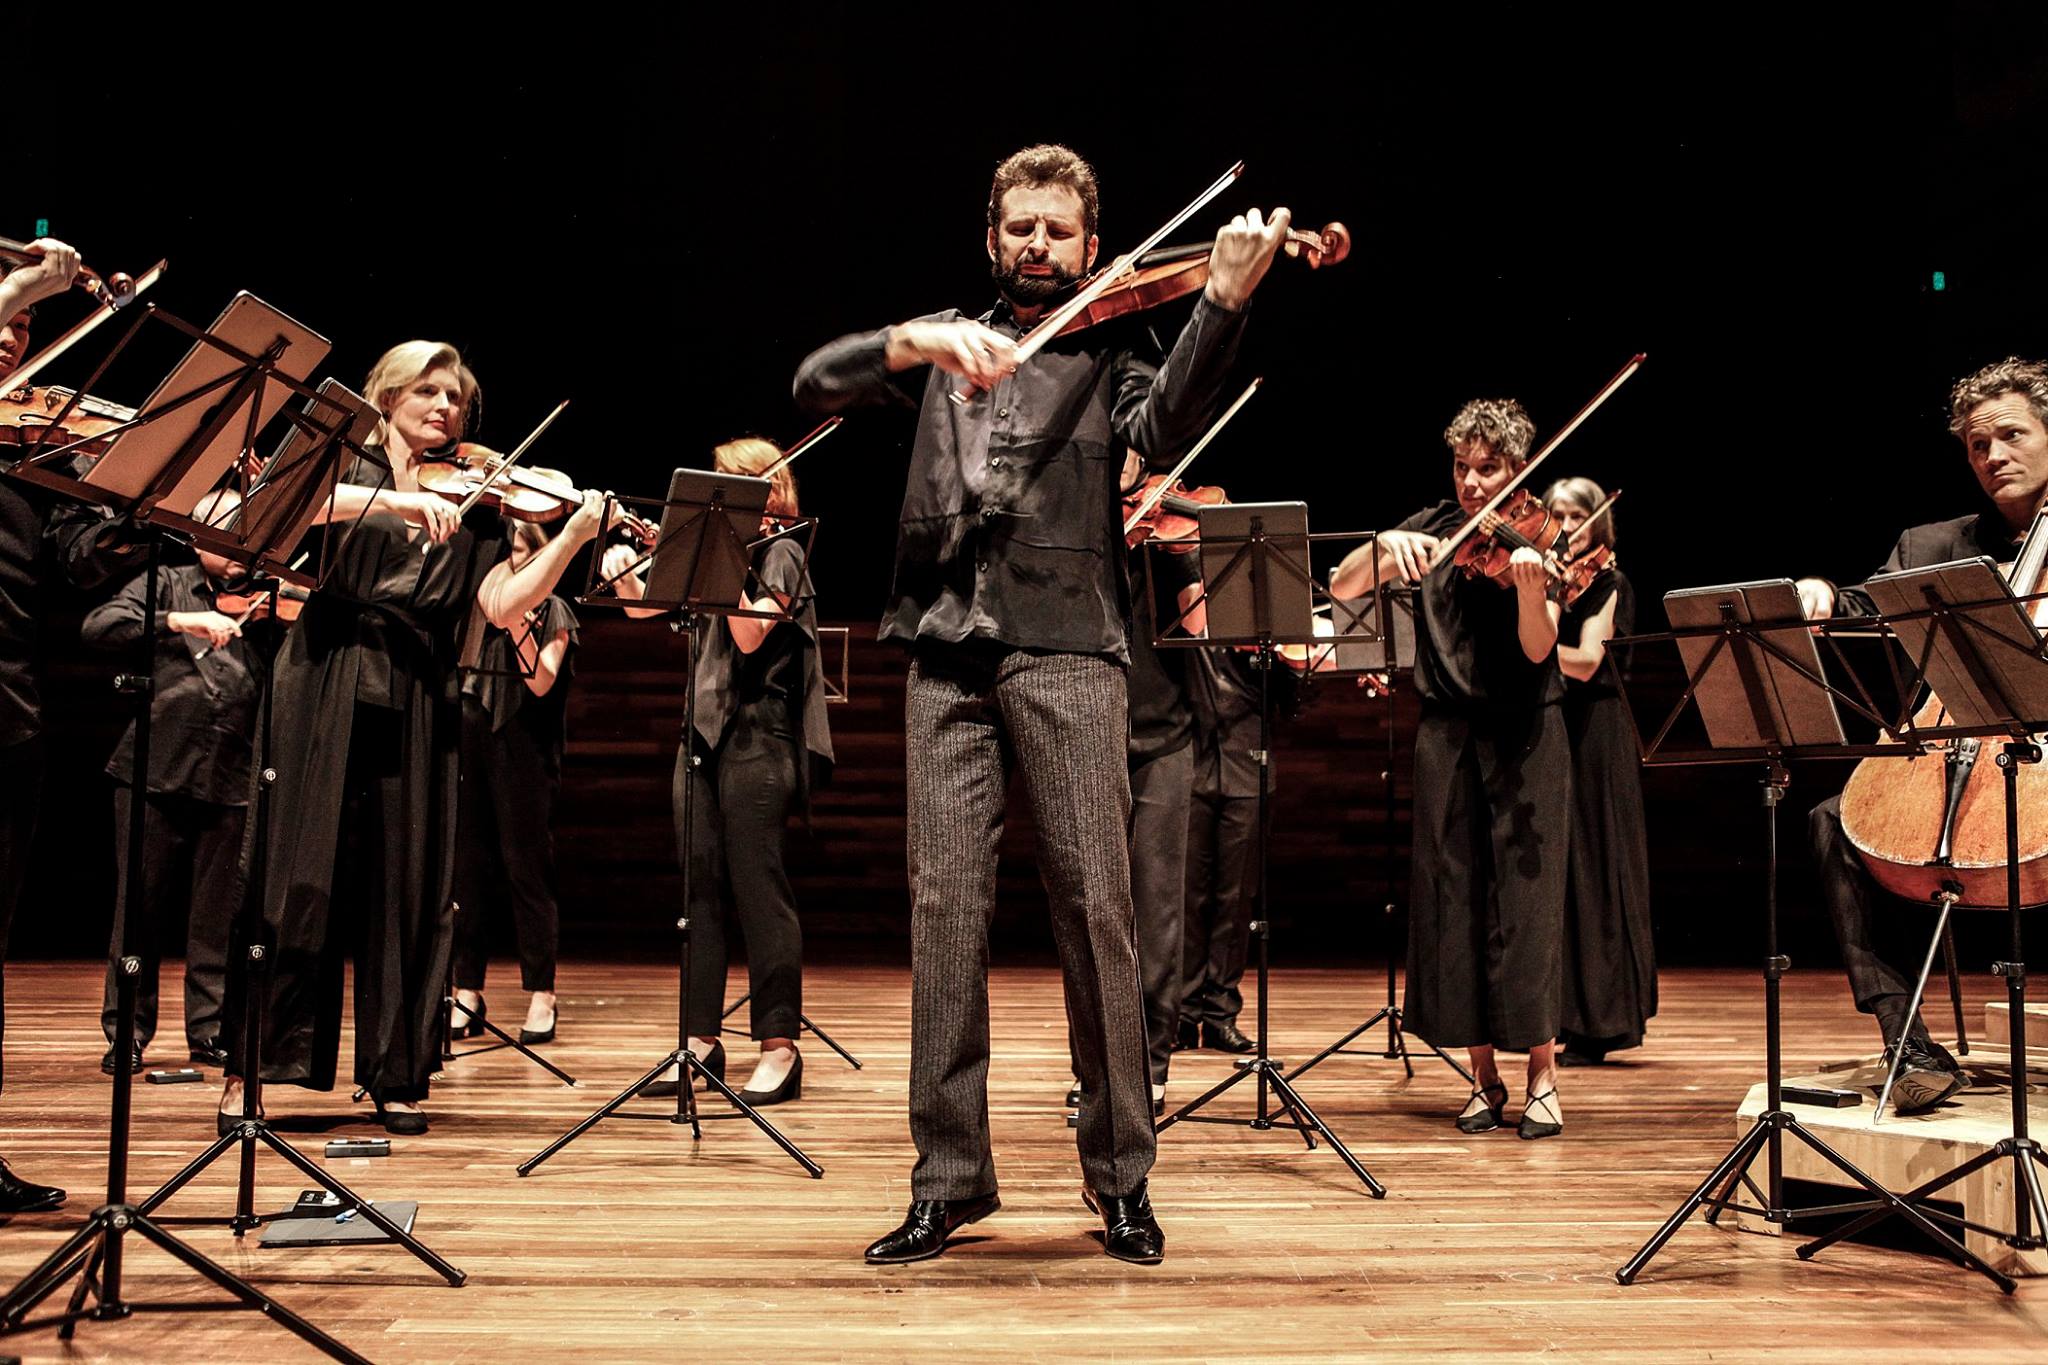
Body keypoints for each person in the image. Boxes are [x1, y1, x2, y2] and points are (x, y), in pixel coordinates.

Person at [793, 142, 1292, 1264]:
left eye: (1057, 231)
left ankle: (1121, 1175)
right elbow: (810, 385)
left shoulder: (1110, 346)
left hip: (1068, 642)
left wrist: (1217, 300)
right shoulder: (947, 344)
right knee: (943, 914)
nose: (1036, 245)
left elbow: (1162, 428)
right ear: (990, 237)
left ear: (1090, 248)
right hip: (940, 649)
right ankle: (949, 1178)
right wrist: (905, 341)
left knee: (1097, 914)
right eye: (1020, 226)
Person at [217, 340, 608, 1137]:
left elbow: (501, 604)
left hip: (422, 678)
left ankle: (396, 1071)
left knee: (413, 879)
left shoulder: (482, 495)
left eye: (456, 397)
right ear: (388, 393)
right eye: (428, 391)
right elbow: (265, 511)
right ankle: (247, 1072)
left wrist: (570, 540)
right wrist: (394, 504)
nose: (444, 407)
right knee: (296, 874)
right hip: (326, 665)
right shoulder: (342, 457)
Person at [1793, 355, 2048, 1112]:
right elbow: (1867, 608)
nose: (1993, 455)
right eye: (1977, 445)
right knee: (1836, 822)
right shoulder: (1933, 546)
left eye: (2011, 435)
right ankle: (1908, 1042)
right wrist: (1825, 594)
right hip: (1957, 751)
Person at [1331, 398, 1568, 1139]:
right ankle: (1483, 1078)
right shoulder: (1433, 529)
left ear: (1518, 469)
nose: (1471, 483)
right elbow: (1342, 585)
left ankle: (1543, 1078)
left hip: (1526, 732)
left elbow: (1538, 650)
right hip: (1447, 733)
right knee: (1454, 901)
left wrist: (1531, 591)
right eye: (1462, 467)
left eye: (1487, 468)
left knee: (1526, 908)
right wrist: (1383, 544)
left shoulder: (1536, 538)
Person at [602, 437, 834, 1106]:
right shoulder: (716, 554)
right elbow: (644, 607)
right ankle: (698, 1040)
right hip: (698, 737)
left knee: (759, 888)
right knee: (697, 890)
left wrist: (722, 552)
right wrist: (626, 571)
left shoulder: (783, 552)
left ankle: (780, 1045)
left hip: (760, 739)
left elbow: (748, 635)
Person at [0, 240, 138, 1212]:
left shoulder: (24, 440)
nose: (15, 339)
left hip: (6, 715)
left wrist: (135, 498)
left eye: (21, 328)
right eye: (2, 321)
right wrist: (21, 281)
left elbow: (78, 556)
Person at [82, 487, 260, 1075]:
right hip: (153, 769)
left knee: (217, 916)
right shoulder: (168, 581)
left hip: (232, 772)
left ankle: (209, 1031)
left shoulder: (267, 600)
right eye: (226, 531)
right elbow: (99, 624)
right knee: (140, 909)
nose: (239, 546)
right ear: (195, 535)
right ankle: (127, 1030)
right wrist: (177, 619)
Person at [450, 519, 579, 1047]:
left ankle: (541, 992)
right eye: (510, 554)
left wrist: (522, 624)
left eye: (526, 554)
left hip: (524, 740)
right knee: (467, 866)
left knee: (526, 866)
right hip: (471, 728)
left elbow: (542, 680)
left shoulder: (556, 608)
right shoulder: (482, 589)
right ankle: (465, 991)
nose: (515, 562)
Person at [1542, 476, 1655, 1065]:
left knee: (1595, 868)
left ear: (1597, 522)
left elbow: (1586, 661)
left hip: (1598, 734)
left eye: (1574, 514)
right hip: (1559, 728)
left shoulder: (1609, 580)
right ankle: (1565, 1015)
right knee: (1565, 875)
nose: (1563, 523)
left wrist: (1522, 647)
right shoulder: (1551, 580)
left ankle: (1602, 1018)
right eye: (1554, 513)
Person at [1177, 644, 1270, 1058]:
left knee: (1236, 899)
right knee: (1183, 896)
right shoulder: (1179, 609)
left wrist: (1285, 661)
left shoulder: (1256, 616)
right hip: (1184, 757)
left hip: (1248, 760)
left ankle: (1219, 1015)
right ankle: (1179, 1013)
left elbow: (1294, 702)